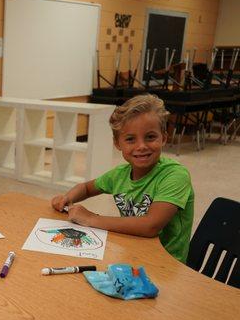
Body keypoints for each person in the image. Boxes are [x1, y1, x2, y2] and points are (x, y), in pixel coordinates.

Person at [51, 94, 194, 262]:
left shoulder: (175, 176)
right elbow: (86, 188)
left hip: (166, 265)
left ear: (164, 137)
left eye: (150, 137)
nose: (141, 146)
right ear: (118, 143)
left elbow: (150, 226)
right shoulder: (120, 174)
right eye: (130, 139)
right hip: (132, 253)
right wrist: (67, 197)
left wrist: (92, 219)